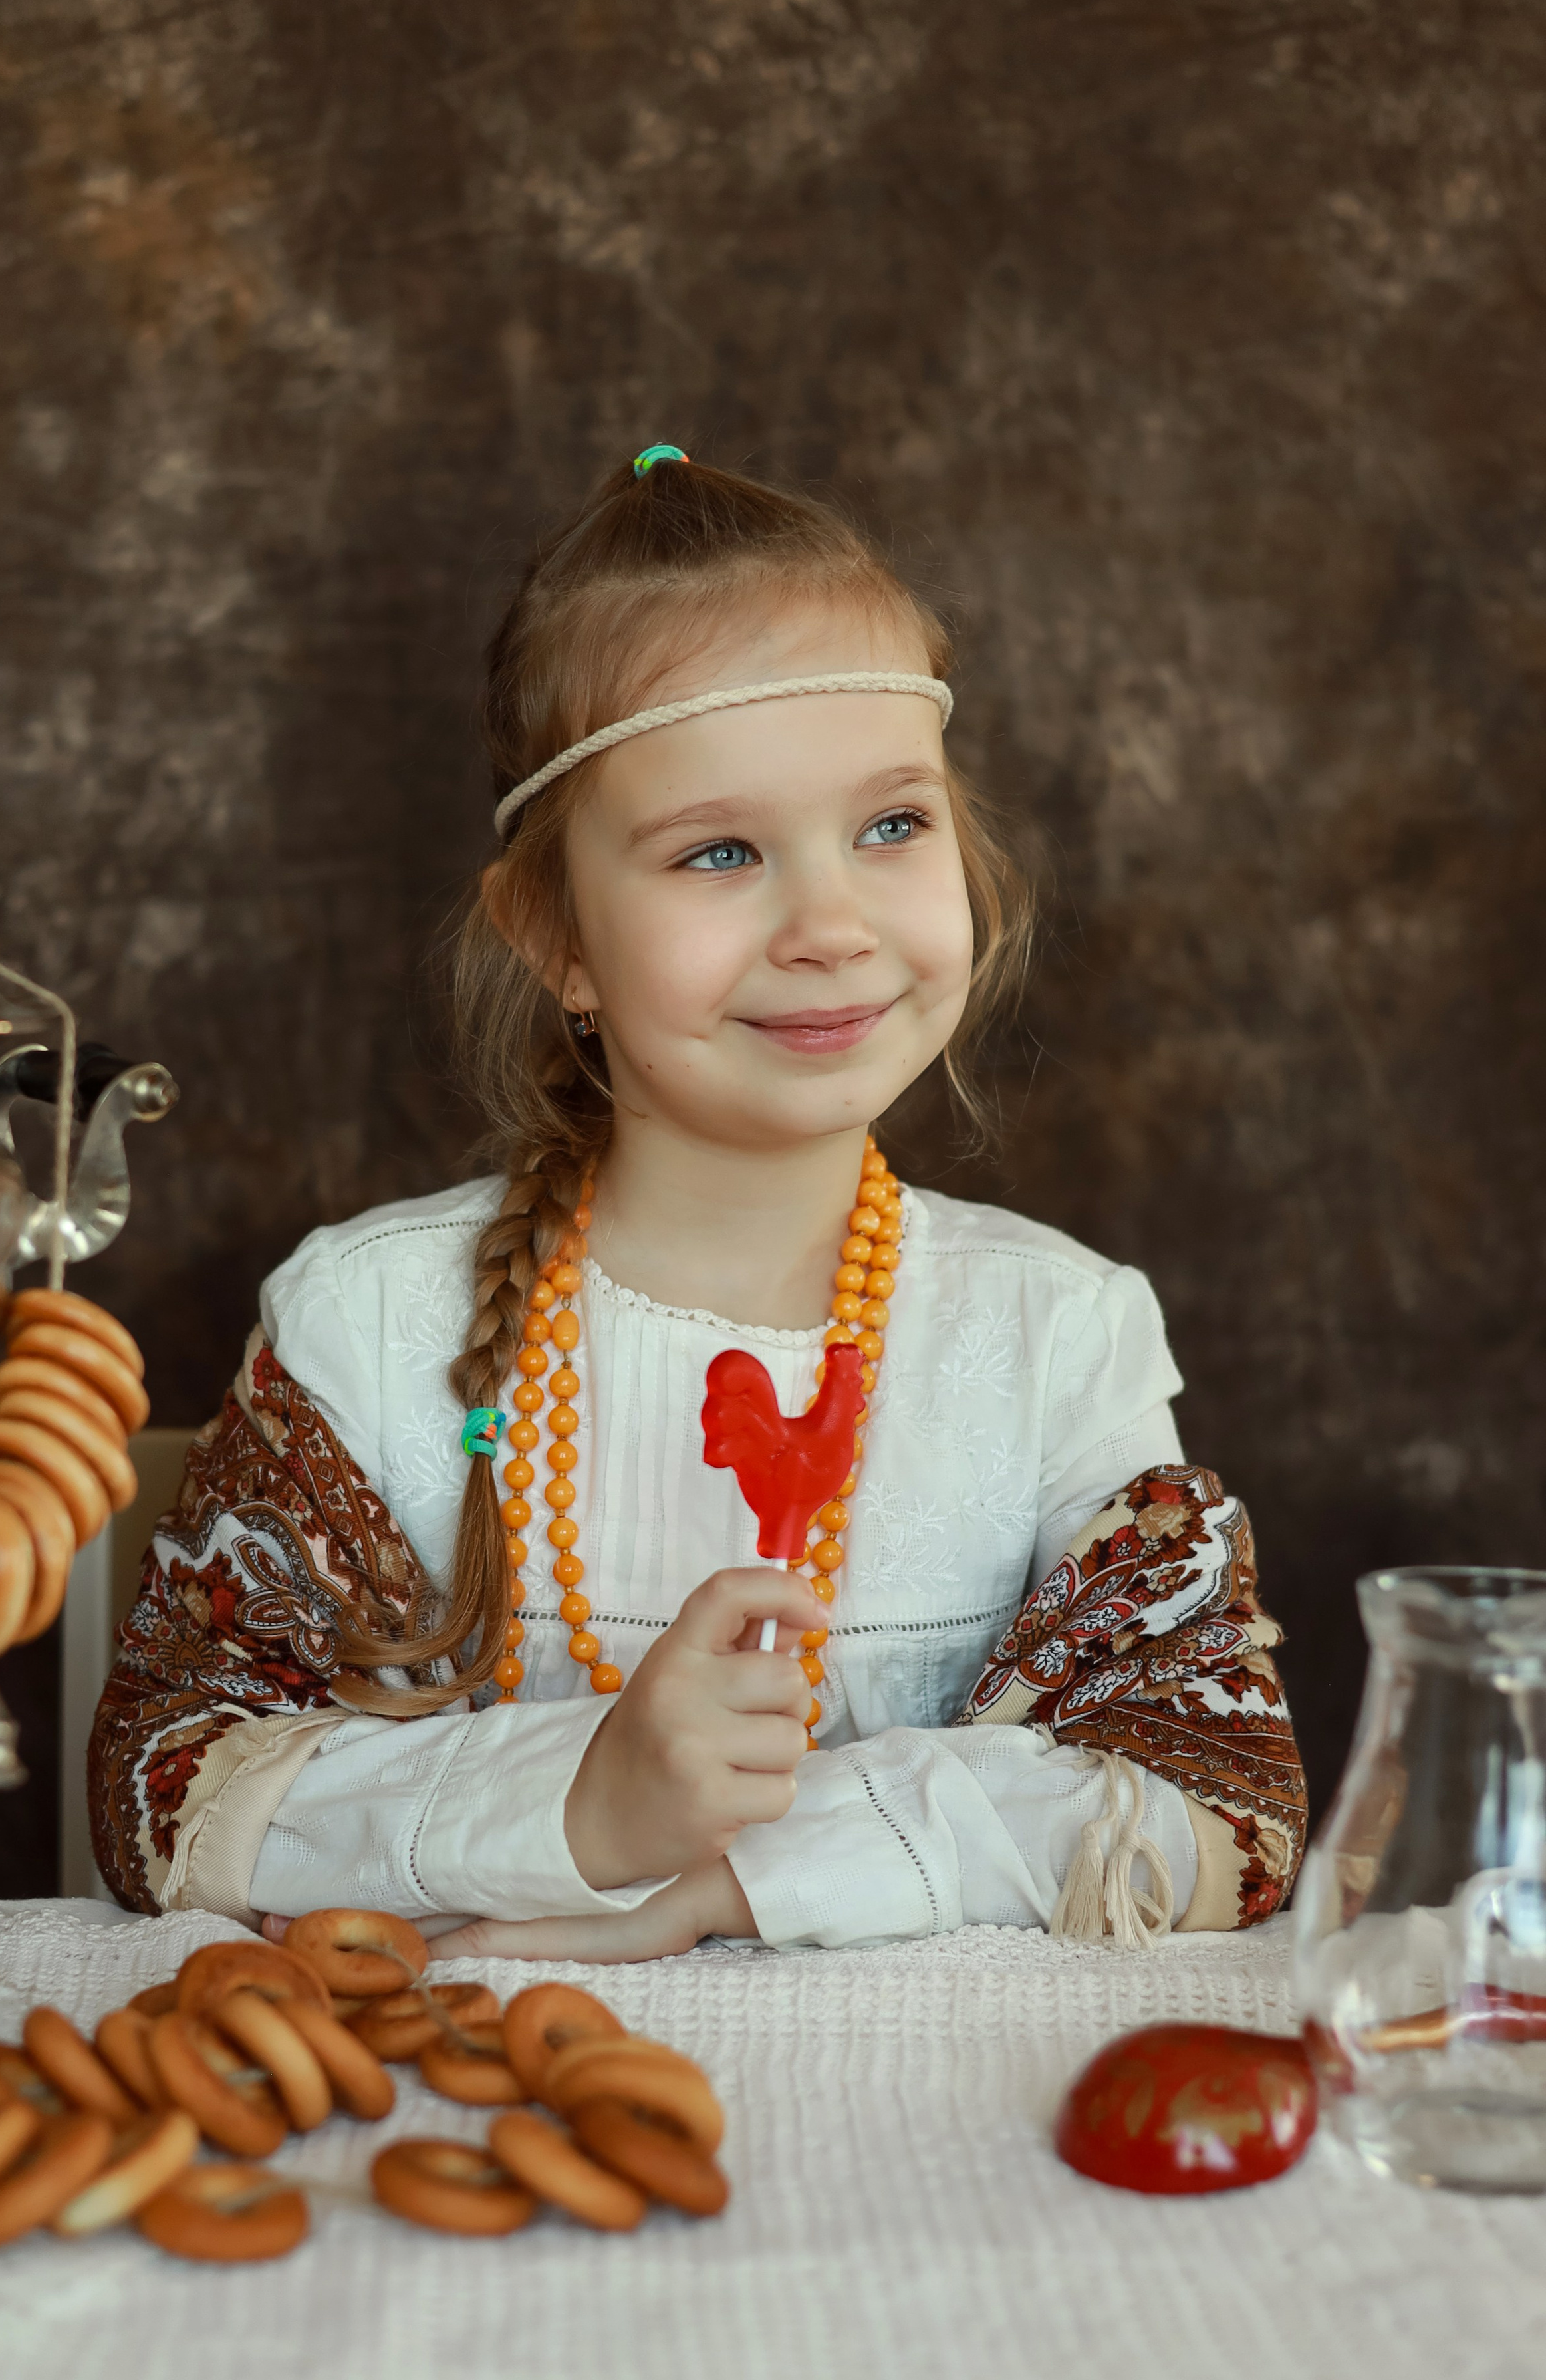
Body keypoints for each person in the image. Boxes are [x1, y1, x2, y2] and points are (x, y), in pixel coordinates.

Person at [90, 446, 1305, 1956]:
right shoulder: (371, 1325)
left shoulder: (1060, 1339)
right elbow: (170, 1795)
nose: (830, 924)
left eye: (890, 826)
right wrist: (580, 1803)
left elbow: (1213, 1810)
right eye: (719, 851)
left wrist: (728, 1886)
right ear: (556, 934)